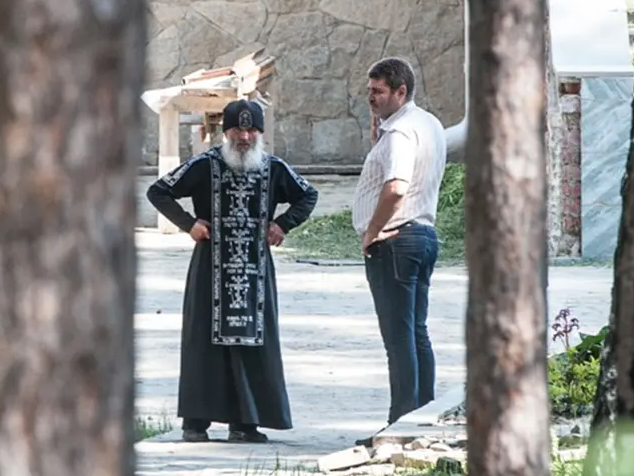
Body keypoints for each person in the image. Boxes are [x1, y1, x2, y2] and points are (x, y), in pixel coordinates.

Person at [146, 99, 319, 443]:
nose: (244, 136)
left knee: (252, 343)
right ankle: (195, 423)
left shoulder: (274, 167)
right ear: (224, 132)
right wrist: (188, 223)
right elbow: (158, 191)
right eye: (237, 129)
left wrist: (282, 224)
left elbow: (308, 195)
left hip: (255, 273)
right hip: (210, 269)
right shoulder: (203, 165)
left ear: (260, 133)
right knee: (203, 343)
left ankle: (245, 422)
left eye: (251, 129)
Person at [351, 57, 447, 446]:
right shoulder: (428, 122)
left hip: (395, 240)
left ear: (401, 92)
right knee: (416, 333)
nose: (370, 98)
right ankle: (420, 417)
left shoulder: (401, 133)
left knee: (399, 338)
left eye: (378, 92)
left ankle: (399, 425)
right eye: (369, 90)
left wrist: (372, 231)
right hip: (422, 236)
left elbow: (396, 186)